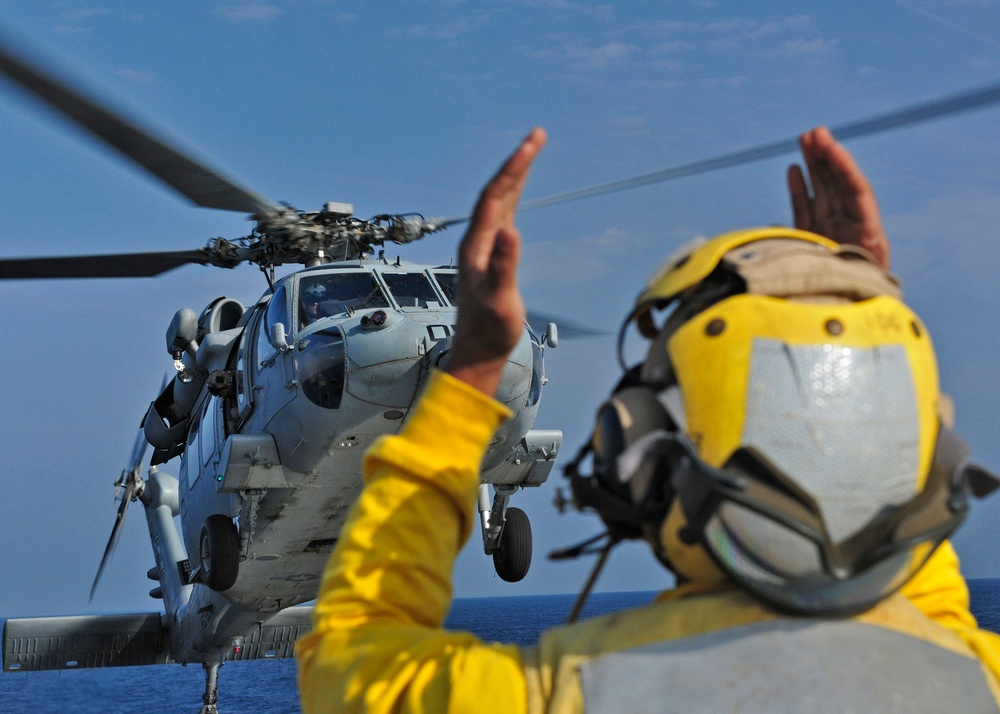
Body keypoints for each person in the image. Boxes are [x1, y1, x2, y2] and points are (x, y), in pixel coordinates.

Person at [296, 127, 1000, 712]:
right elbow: (933, 623)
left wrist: (471, 370)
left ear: (635, 450)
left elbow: (354, 661)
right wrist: (857, 323)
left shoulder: (562, 693)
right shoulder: (974, 679)